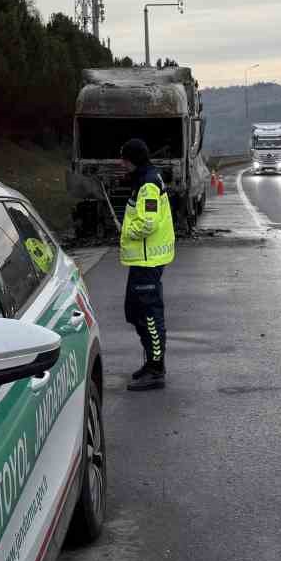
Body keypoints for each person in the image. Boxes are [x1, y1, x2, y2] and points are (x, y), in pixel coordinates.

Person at [117, 138, 174, 391]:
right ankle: (151, 361)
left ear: (133, 159)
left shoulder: (148, 184)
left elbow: (147, 223)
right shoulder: (143, 179)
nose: (121, 163)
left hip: (148, 260)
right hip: (142, 259)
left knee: (149, 314)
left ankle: (156, 368)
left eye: (124, 159)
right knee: (135, 311)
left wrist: (126, 232)